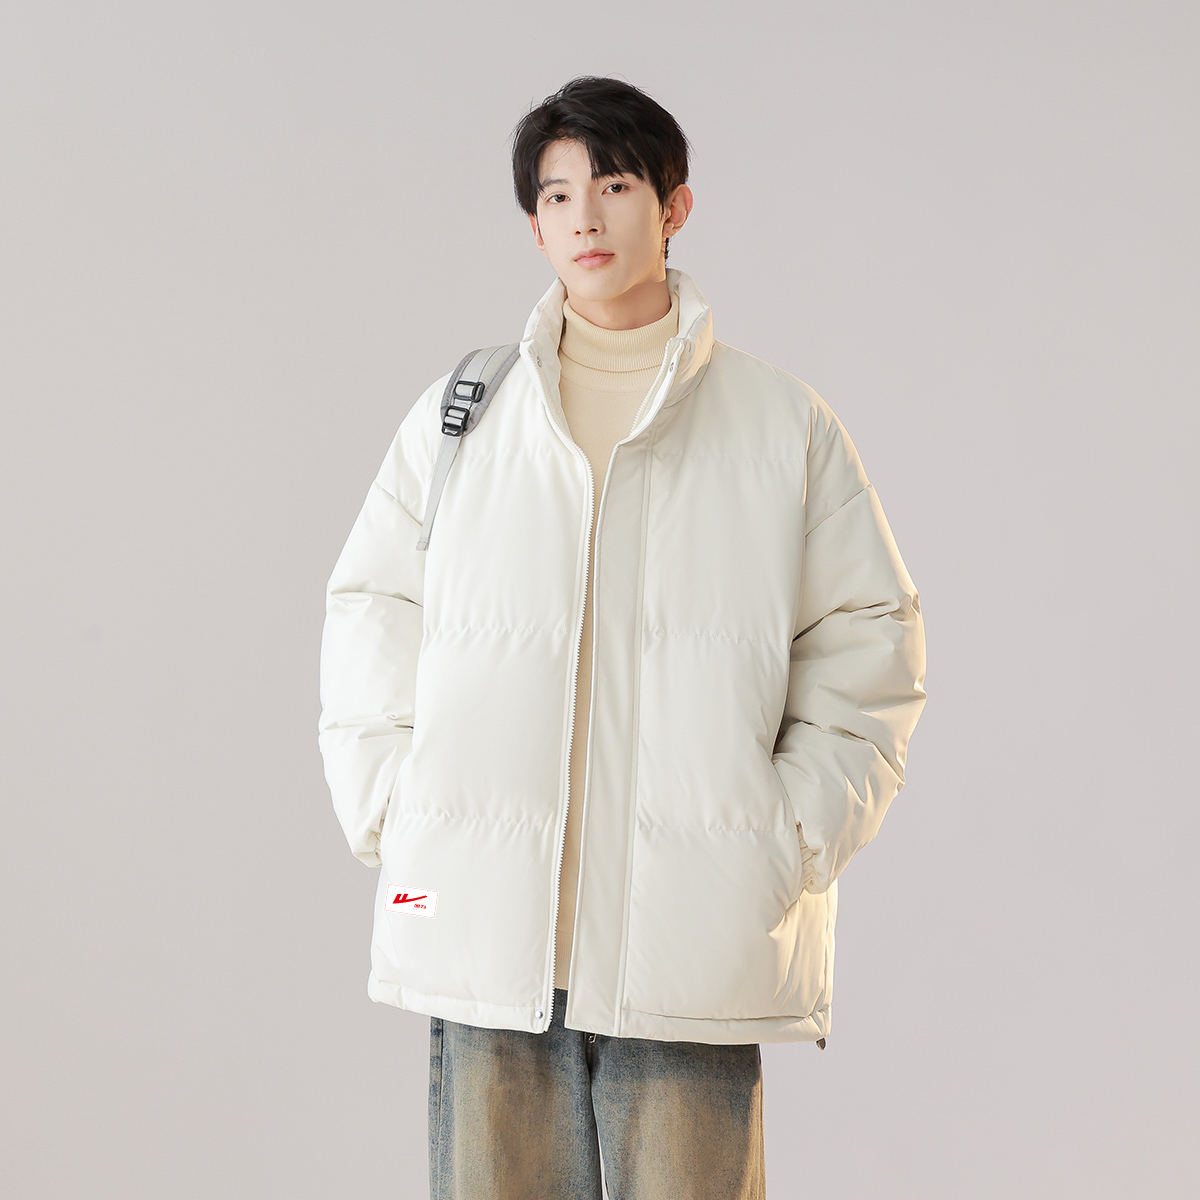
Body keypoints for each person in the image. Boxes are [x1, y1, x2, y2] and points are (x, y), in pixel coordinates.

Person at [318, 75, 927, 1200]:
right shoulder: (464, 418)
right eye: (556, 195)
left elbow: (869, 640)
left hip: (690, 944)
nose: (585, 218)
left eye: (614, 185)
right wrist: (401, 818)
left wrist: (787, 839)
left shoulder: (780, 425)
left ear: (674, 206)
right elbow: (371, 613)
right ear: (533, 224)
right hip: (484, 932)